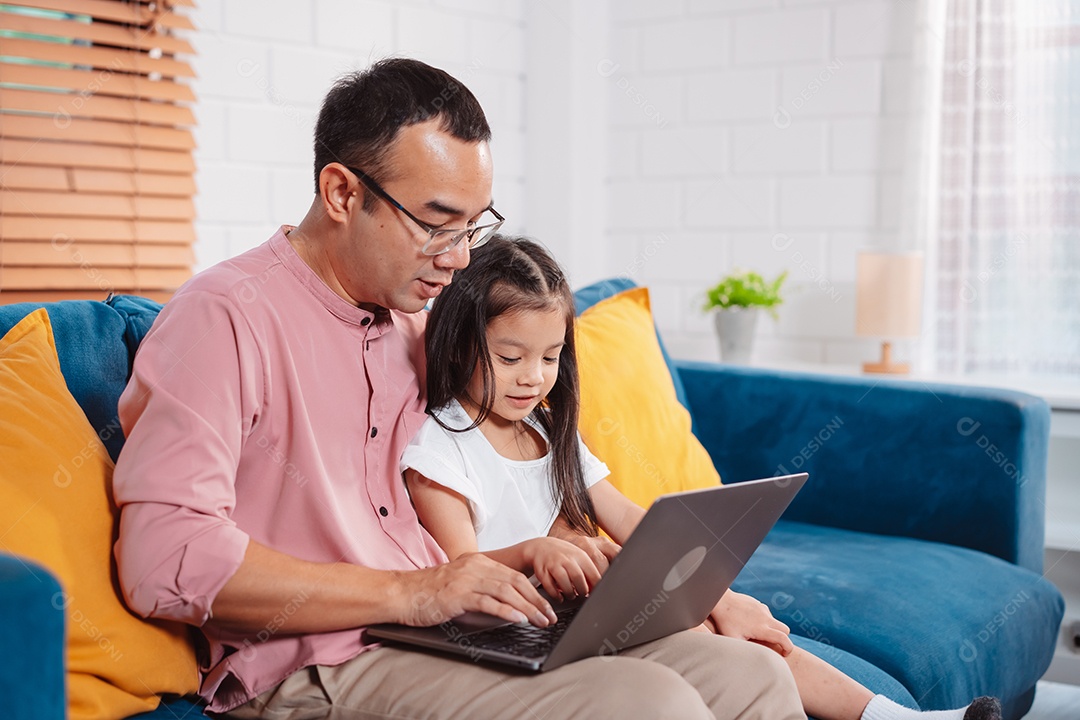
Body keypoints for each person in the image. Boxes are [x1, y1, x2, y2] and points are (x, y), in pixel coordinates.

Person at [112, 58, 806, 718]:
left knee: (750, 675)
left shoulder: (424, 324)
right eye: (437, 225)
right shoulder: (224, 316)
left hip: (453, 628)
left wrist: (700, 596)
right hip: (316, 661)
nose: (460, 256)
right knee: (644, 704)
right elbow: (164, 558)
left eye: (473, 226)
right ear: (342, 192)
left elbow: (517, 466)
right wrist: (415, 592)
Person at [401, 234, 1004, 720]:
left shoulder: (545, 427)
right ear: (456, 346)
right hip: (511, 631)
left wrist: (719, 590)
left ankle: (891, 715)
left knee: (729, 619)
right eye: (510, 358)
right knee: (711, 624)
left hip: (577, 613)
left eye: (551, 357)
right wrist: (536, 550)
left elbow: (628, 517)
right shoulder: (442, 447)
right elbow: (460, 574)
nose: (533, 376)